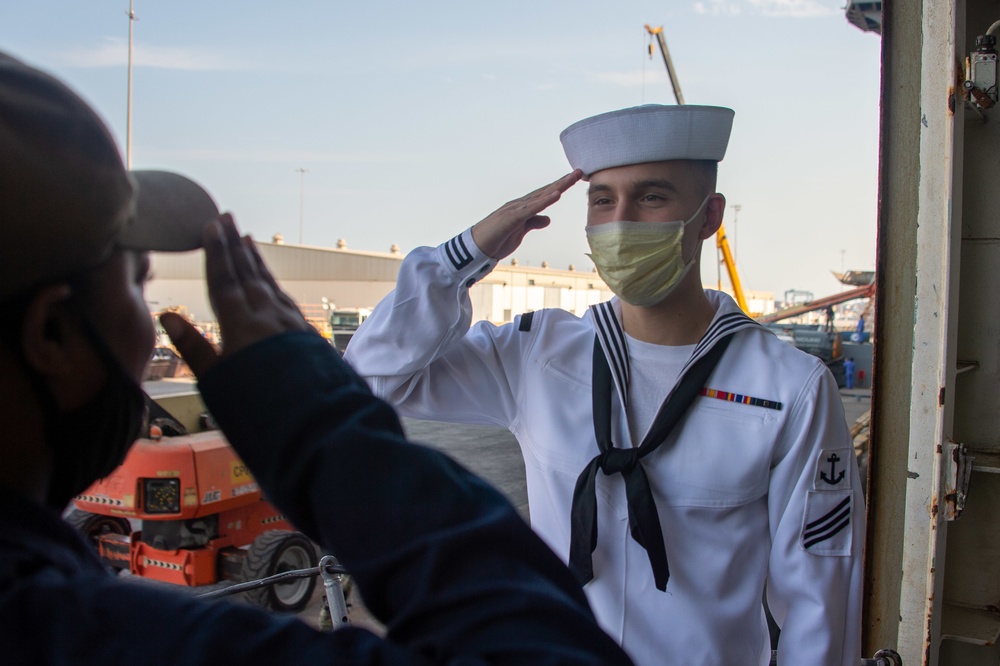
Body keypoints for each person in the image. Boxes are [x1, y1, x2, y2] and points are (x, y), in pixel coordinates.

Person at [0, 51, 631, 665]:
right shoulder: (101, 638)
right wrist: (314, 423)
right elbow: (545, 645)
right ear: (52, 333)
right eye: (138, 283)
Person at [345, 104, 865, 665]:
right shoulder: (536, 354)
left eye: (651, 197)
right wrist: (466, 254)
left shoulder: (788, 387)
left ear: (710, 216)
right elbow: (371, 379)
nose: (620, 223)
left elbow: (818, 592)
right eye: (602, 200)